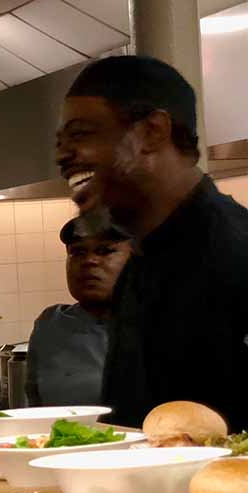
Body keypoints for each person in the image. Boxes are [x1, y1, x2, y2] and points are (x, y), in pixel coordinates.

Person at [55, 55, 248, 429]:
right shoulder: (142, 262)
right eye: (62, 141)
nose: (64, 156)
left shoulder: (235, 253)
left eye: (82, 135)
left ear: (152, 132)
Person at [26, 217, 132, 406]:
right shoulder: (51, 326)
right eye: (78, 252)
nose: (89, 261)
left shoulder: (164, 323)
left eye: (105, 251)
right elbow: (36, 411)